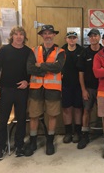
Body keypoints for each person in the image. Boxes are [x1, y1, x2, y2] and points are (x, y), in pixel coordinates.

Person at [0, 26, 31, 161]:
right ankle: (0, 147)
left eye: (21, 34)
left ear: (24, 37)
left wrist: (27, 81)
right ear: (12, 36)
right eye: (16, 34)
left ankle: (19, 146)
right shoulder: (4, 50)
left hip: (22, 90)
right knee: (2, 120)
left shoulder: (28, 51)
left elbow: (31, 71)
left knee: (21, 119)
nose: (19, 37)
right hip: (6, 90)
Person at [25, 25, 65, 156]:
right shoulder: (34, 50)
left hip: (53, 90)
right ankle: (33, 142)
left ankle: (49, 141)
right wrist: (46, 70)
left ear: (54, 35)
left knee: (52, 116)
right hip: (36, 89)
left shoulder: (61, 51)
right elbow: (30, 68)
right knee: (34, 116)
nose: (48, 35)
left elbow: (58, 68)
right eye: (45, 33)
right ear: (41, 35)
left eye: (50, 33)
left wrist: (40, 65)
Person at [76, 28, 103, 149]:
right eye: (91, 36)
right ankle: (85, 135)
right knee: (86, 111)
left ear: (99, 37)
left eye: (95, 36)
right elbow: (81, 73)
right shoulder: (84, 53)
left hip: (103, 89)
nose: (93, 38)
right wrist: (83, 90)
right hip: (89, 89)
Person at [61, 31, 83, 144]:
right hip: (65, 85)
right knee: (67, 109)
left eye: (74, 38)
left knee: (78, 109)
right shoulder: (61, 51)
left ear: (77, 39)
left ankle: (78, 132)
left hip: (79, 85)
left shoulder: (81, 51)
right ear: (66, 39)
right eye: (70, 38)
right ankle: (68, 132)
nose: (72, 40)